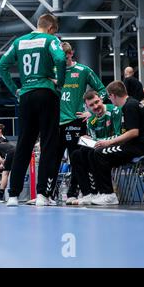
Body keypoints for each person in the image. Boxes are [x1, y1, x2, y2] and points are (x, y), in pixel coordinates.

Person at [0, 13, 66, 207]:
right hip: (46, 93)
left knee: (23, 146)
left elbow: (2, 65)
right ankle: (43, 195)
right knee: (48, 144)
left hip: (26, 96)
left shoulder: (19, 41)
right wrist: (59, 83)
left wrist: (15, 89)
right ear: (51, 28)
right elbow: (60, 60)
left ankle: (13, 195)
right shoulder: (51, 40)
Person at [57, 42, 106, 204]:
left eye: (64, 56)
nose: (62, 60)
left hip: (77, 122)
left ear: (71, 54)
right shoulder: (54, 71)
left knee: (76, 157)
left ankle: (75, 192)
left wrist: (90, 111)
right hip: (56, 123)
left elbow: (102, 90)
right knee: (53, 159)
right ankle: (49, 194)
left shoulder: (83, 70)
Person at [89, 81, 144, 205]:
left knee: (100, 153)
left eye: (109, 97)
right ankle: (102, 192)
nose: (110, 100)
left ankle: (109, 194)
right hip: (133, 146)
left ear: (113, 95)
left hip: (138, 148)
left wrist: (109, 142)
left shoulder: (130, 106)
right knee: (96, 153)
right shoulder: (131, 104)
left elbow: (133, 132)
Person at [69, 90, 122, 205]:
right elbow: (93, 141)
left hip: (116, 147)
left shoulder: (114, 110)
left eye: (97, 102)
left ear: (101, 99)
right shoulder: (91, 121)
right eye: (91, 105)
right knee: (76, 154)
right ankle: (89, 194)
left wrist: (97, 141)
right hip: (99, 148)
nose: (96, 106)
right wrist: (87, 141)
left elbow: (119, 135)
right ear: (87, 107)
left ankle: (104, 192)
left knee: (91, 152)